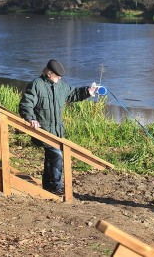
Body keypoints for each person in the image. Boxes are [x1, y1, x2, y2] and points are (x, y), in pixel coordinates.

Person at [19, 59, 97, 194]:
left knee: (51, 157)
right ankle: (56, 186)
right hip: (43, 131)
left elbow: (73, 94)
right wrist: (31, 119)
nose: (60, 77)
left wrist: (87, 91)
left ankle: (48, 186)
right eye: (57, 75)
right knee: (57, 155)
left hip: (57, 131)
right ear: (49, 74)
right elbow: (26, 104)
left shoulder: (61, 85)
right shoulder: (36, 85)